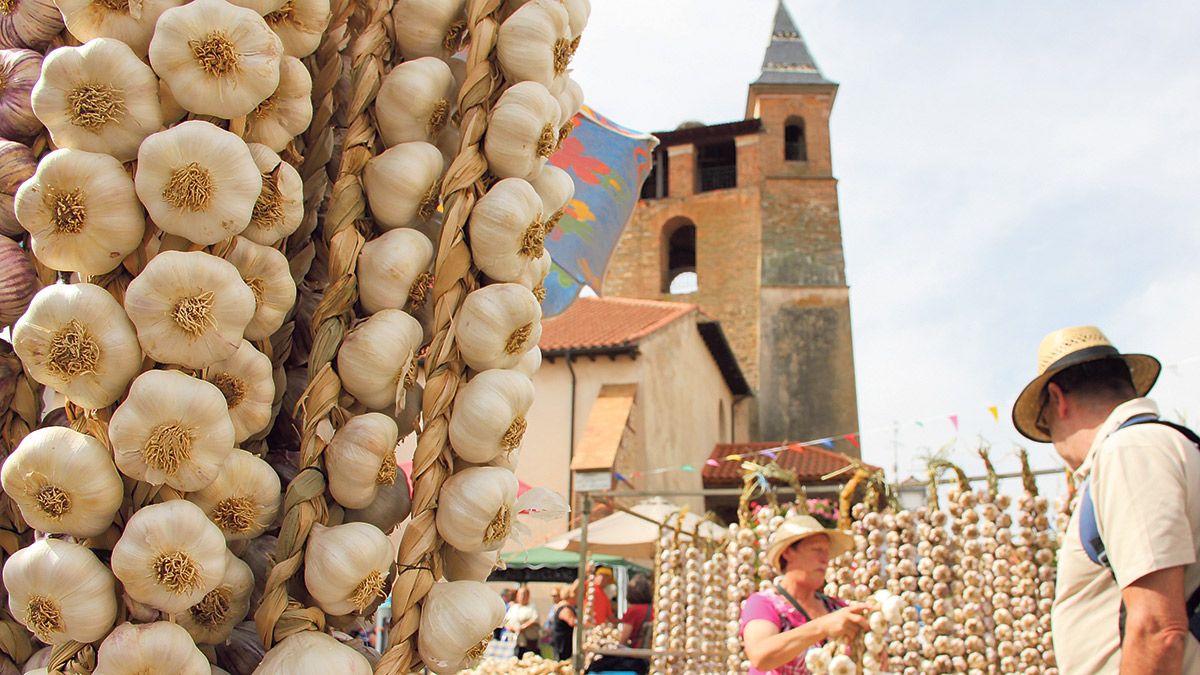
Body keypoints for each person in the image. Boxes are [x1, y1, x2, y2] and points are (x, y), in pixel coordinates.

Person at [1012, 326, 1200, 673]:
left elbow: (1159, 630)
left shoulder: (1129, 451)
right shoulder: (1171, 447)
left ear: (1058, 400)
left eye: (1044, 424)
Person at [740, 515, 870, 674]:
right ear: (787, 553)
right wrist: (822, 627)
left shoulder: (837, 608)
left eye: (827, 552)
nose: (825, 559)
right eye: (817, 550)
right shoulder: (764, 603)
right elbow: (760, 656)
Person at [587, 573, 653, 674]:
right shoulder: (653, 610)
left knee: (595, 667)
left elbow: (623, 640)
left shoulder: (633, 611)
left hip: (634, 657)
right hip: (647, 657)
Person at [502, 586, 541, 658]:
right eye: (520, 594)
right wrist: (510, 627)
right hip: (514, 641)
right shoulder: (513, 608)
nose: (522, 596)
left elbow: (535, 619)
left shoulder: (532, 607)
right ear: (517, 596)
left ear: (528, 596)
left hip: (529, 641)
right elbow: (505, 621)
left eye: (524, 594)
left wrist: (522, 627)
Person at [551, 583, 578, 660]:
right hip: (562, 645)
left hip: (565, 644)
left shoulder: (566, 606)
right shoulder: (565, 608)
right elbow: (572, 622)